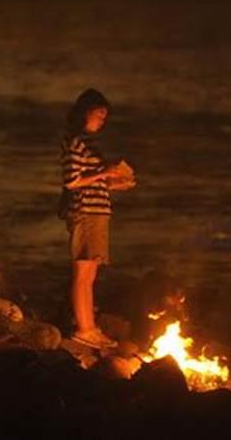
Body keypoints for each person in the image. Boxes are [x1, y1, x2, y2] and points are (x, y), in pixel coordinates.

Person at [59, 88, 135, 349]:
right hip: (86, 212)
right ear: (84, 112)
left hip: (98, 212)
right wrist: (104, 172)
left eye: (105, 116)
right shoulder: (75, 142)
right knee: (83, 271)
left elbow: (92, 179)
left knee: (90, 272)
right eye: (99, 114)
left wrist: (115, 182)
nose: (102, 119)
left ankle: (89, 327)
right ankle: (85, 330)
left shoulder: (89, 143)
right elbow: (72, 181)